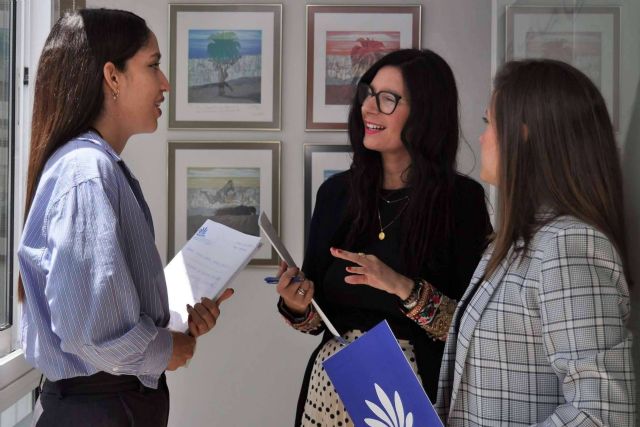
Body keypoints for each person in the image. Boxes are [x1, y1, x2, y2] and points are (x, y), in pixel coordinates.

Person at [17, 9, 233, 427]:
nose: (165, 82)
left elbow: (97, 309)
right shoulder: (87, 172)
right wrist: (167, 348)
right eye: (153, 65)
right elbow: (90, 334)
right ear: (112, 77)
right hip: (101, 410)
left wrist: (173, 323)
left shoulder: (97, 167)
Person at [275, 49, 492, 426]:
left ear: (425, 112)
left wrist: (399, 285)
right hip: (332, 384)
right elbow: (318, 318)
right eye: (368, 94)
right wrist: (296, 305)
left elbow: (470, 327)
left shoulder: (461, 201)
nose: (368, 109)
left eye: (387, 99)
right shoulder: (336, 194)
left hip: (412, 388)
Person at [436, 59, 636, 426]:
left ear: (523, 135)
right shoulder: (517, 242)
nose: (481, 136)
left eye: (489, 123)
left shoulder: (568, 245)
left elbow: (601, 414)